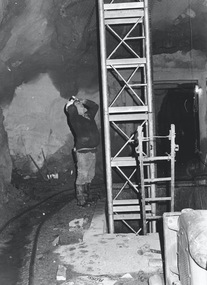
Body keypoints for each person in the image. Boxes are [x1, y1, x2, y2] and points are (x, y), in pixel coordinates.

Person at [64, 96, 100, 207]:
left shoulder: (88, 116)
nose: (82, 105)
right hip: (82, 152)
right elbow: (70, 109)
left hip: (92, 150)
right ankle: (81, 200)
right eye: (79, 105)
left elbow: (95, 106)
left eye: (82, 104)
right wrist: (72, 102)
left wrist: (83, 100)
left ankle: (87, 196)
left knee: (90, 175)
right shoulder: (75, 118)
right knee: (83, 175)